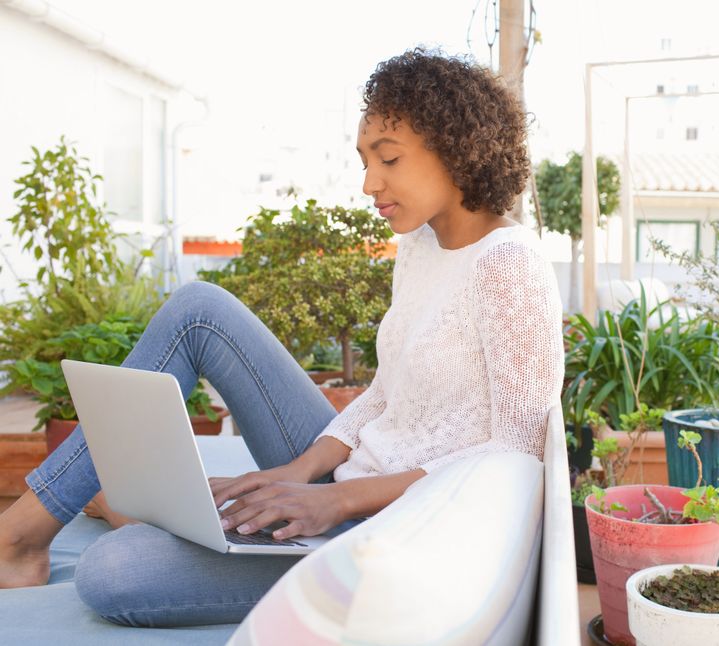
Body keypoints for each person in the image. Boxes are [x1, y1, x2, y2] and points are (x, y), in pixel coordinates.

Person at [0, 48, 564, 627]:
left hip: (392, 530)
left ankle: (151, 516)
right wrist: (299, 470)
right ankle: (24, 534)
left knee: (113, 571)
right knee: (199, 308)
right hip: (347, 480)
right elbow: (385, 395)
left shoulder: (509, 267)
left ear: (457, 149)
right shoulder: (420, 245)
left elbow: (515, 455)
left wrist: (336, 500)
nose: (370, 183)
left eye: (388, 159)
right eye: (364, 160)